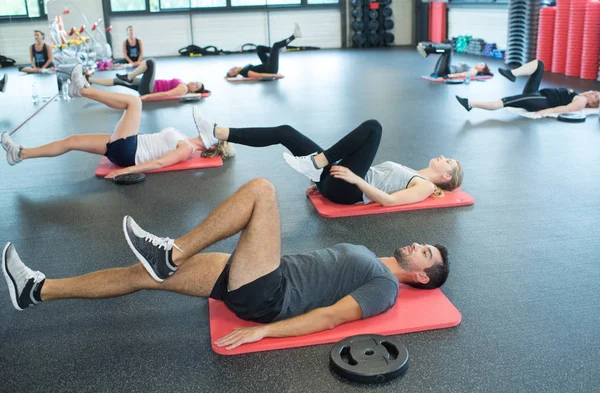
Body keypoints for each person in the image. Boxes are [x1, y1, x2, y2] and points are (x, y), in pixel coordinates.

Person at [1, 178, 450, 350]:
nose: (416, 244)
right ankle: (36, 289)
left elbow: (331, 318)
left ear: (420, 277)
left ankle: (169, 252)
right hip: (256, 275)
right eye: (424, 244)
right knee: (141, 277)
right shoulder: (372, 258)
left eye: (425, 253)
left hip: (268, 295)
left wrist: (265, 330)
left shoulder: (385, 288)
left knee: (261, 191)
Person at [1, 65, 233, 178]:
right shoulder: (186, 139)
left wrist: (124, 172)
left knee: (135, 103)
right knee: (72, 140)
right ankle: (20, 154)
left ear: (212, 144)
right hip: (126, 147)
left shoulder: (187, 148)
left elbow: (158, 165)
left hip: (129, 151)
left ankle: (83, 90)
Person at [193, 112, 463, 206]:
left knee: (373, 127)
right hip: (338, 181)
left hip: (348, 188)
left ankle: (317, 164)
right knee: (286, 132)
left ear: (446, 177)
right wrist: (323, 185)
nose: (443, 156)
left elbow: (389, 201)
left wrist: (355, 179)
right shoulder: (412, 172)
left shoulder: (426, 186)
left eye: (448, 161)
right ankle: (217, 133)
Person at [455, 59, 600, 115]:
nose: (593, 92)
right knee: (540, 65)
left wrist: (546, 112)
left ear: (593, 104)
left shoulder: (581, 101)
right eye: (595, 91)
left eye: (596, 95)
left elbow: (567, 109)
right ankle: (512, 73)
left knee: (507, 101)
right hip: (538, 94)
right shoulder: (580, 95)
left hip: (542, 101)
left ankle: (470, 104)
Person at [88, 59, 207, 101]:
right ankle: (90, 80)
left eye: (196, 86)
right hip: (147, 86)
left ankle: (129, 77)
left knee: (151, 62)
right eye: (196, 82)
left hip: (149, 89)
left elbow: (165, 94)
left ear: (193, 92)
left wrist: (145, 97)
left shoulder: (183, 88)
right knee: (117, 81)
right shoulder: (184, 83)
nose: (194, 83)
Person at [226, 23, 302, 79]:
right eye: (233, 71)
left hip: (266, 65)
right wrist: (274, 75)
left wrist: (227, 76)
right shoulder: (244, 72)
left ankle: (279, 49)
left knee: (259, 48)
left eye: (231, 69)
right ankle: (294, 36)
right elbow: (258, 75)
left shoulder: (243, 69)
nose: (233, 69)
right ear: (236, 74)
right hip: (270, 69)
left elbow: (227, 77)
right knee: (275, 45)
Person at [417, 41, 492, 79]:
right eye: (481, 63)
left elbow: (464, 75)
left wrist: (449, 76)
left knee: (449, 49)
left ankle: (428, 49)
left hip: (446, 71)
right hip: (443, 70)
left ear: (482, 70)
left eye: (482, 65)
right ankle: (427, 50)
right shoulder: (472, 68)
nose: (479, 64)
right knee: (445, 51)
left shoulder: (474, 71)